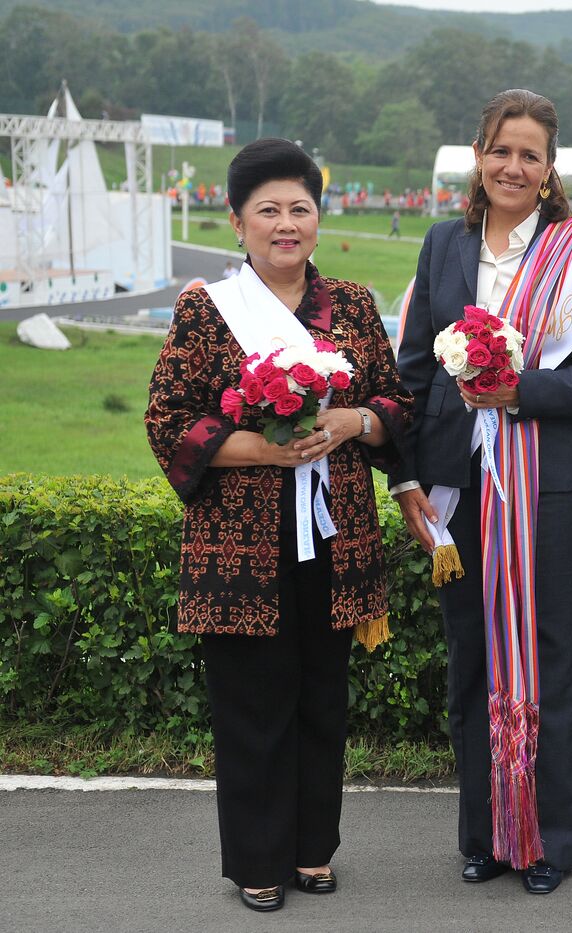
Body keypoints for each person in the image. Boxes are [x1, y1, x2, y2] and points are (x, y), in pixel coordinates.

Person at [145, 137, 410, 913]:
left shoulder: (355, 306)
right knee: (252, 701)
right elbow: (168, 422)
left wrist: (355, 420)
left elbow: (398, 404)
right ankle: (258, 858)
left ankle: (312, 849)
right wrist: (261, 447)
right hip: (241, 546)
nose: (285, 224)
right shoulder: (206, 310)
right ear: (237, 222)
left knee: (323, 697)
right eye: (269, 210)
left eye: (300, 208)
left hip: (336, 536)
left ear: (319, 221)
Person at [390, 89, 572, 896]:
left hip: (548, 489)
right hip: (460, 491)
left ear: (550, 168)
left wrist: (518, 392)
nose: (513, 166)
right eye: (501, 150)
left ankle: (549, 842)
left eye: (530, 154)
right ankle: (486, 836)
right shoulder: (443, 246)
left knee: (546, 662)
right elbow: (415, 374)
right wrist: (409, 475)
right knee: (472, 665)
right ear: (478, 155)